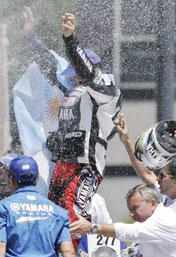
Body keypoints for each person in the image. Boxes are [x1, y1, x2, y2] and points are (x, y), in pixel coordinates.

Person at [27, 11, 122, 225]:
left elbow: (88, 75)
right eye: (72, 74)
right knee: (51, 216)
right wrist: (30, 37)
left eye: (77, 72)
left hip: (85, 165)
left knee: (73, 217)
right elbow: (49, 68)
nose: (72, 77)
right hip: (63, 163)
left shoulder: (106, 91)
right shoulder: (72, 91)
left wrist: (70, 40)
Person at [0, 155, 75, 257]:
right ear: (37, 177)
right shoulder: (59, 212)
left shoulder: (2, 208)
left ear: (11, 178)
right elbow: (68, 252)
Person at [70, 184, 176, 257]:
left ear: (153, 203)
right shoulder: (149, 226)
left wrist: (92, 227)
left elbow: (129, 231)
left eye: (135, 208)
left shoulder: (163, 219)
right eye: (130, 210)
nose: (131, 214)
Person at [117, 116, 176, 232]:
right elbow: (146, 174)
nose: (157, 178)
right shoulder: (166, 196)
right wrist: (126, 139)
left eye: (163, 176)